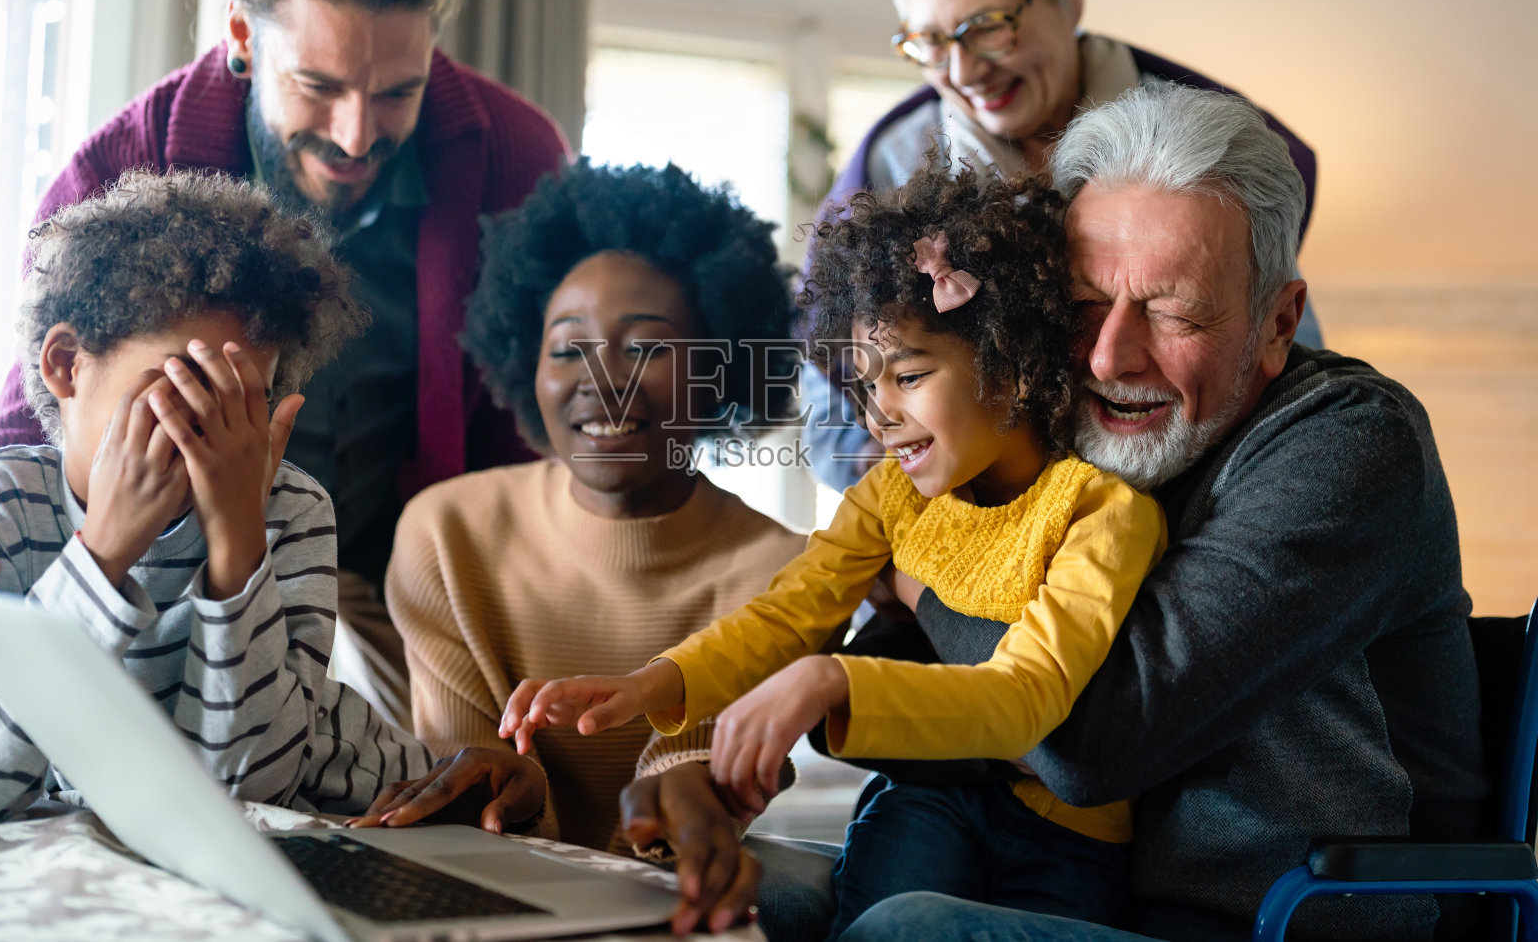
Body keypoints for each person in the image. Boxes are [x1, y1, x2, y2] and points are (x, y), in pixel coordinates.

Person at [632, 81, 1489, 942]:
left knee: (910, 930)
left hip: (1285, 924)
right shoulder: (1076, 426)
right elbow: (896, 673)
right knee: (687, 896)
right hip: (1096, 899)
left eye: (1174, 310)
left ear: (1278, 322)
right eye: (1086, 305)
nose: (1113, 354)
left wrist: (918, 577)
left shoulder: (1347, 442)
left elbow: (1088, 740)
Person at [0, 0, 569, 728]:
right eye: (319, 85)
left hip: (416, 565)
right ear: (243, 35)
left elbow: (525, 434)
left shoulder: (514, 152)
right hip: (188, 557)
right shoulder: (121, 170)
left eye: (398, 92)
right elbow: (48, 418)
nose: (357, 136)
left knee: (452, 782)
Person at [501, 163, 1168, 940]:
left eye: (910, 375)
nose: (880, 414)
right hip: (924, 797)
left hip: (1069, 841)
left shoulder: (1102, 511)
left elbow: (1028, 698)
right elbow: (789, 614)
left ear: (1010, 365)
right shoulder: (890, 497)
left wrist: (835, 677)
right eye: (863, 386)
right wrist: (650, 683)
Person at [364, 161, 807, 936]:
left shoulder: (783, 572)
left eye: (646, 349)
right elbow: (468, 813)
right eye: (568, 349)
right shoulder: (445, 534)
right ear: (525, 363)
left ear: (718, 372)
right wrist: (512, 789)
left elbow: (690, 799)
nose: (603, 381)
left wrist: (678, 807)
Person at [0, 169, 447, 827]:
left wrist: (239, 539)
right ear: (66, 364)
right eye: (181, 387)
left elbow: (248, 793)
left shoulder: (289, 513)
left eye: (243, 401)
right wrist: (101, 556)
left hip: (377, 802)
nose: (212, 434)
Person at [804, 0, 1321, 492]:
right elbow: (833, 403)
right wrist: (904, 504)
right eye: (932, 43)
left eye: (989, 26)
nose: (964, 72)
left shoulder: (1206, 148)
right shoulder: (893, 171)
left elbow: (1274, 353)